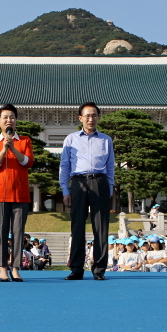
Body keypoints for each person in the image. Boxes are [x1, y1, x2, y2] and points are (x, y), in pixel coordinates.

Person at [59, 102, 115, 281]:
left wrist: (110, 188)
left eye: (94, 115)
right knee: (77, 227)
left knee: (101, 227)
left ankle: (99, 269)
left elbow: (110, 166)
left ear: (98, 117)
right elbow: (64, 166)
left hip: (100, 182)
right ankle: (76, 269)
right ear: (80, 118)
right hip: (78, 183)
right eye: (87, 116)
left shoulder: (106, 140)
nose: (91, 119)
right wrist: (65, 190)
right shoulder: (71, 139)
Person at [0, 103, 34, 282]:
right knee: (1, 231)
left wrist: (13, 147)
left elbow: (28, 162)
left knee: (18, 232)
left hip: (20, 193)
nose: (9, 120)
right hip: (0, 195)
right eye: (5, 118)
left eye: (12, 117)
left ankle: (15, 268)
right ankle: (2, 268)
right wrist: (4, 149)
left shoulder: (24, 140)